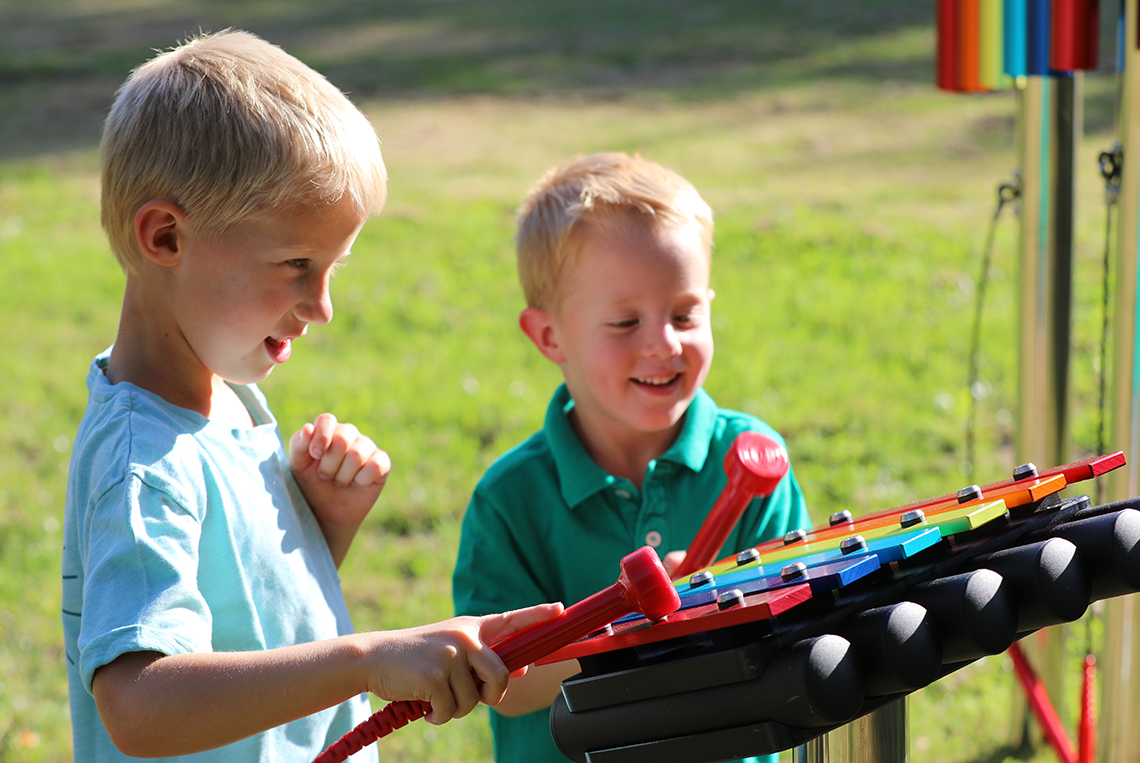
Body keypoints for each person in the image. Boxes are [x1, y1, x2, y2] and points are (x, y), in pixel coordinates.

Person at [62, 30, 561, 763]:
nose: (321, 304)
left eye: (331, 267)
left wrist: (318, 529)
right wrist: (366, 658)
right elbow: (138, 702)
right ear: (166, 237)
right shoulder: (143, 458)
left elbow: (246, 619)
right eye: (296, 262)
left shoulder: (222, 402)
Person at [452, 151, 812, 763]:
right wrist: (624, 628)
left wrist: (717, 608)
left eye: (684, 314)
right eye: (624, 323)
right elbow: (503, 684)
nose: (663, 344)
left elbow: (798, 629)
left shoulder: (751, 460)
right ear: (549, 336)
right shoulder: (511, 499)